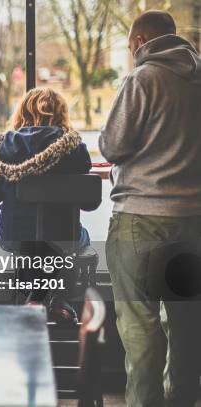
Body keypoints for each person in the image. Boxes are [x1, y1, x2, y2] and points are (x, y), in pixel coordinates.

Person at [99, 10, 201, 407]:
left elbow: (112, 146)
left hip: (141, 219)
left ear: (140, 41)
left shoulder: (142, 79)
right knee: (186, 323)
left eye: (129, 46)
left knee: (140, 329)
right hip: (193, 220)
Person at [0, 87, 92, 323]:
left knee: (28, 242)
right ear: (61, 114)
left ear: (21, 113)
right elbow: (88, 203)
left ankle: (33, 297)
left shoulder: (3, 148)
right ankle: (58, 299)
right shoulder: (74, 149)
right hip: (63, 236)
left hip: (14, 235)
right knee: (74, 238)